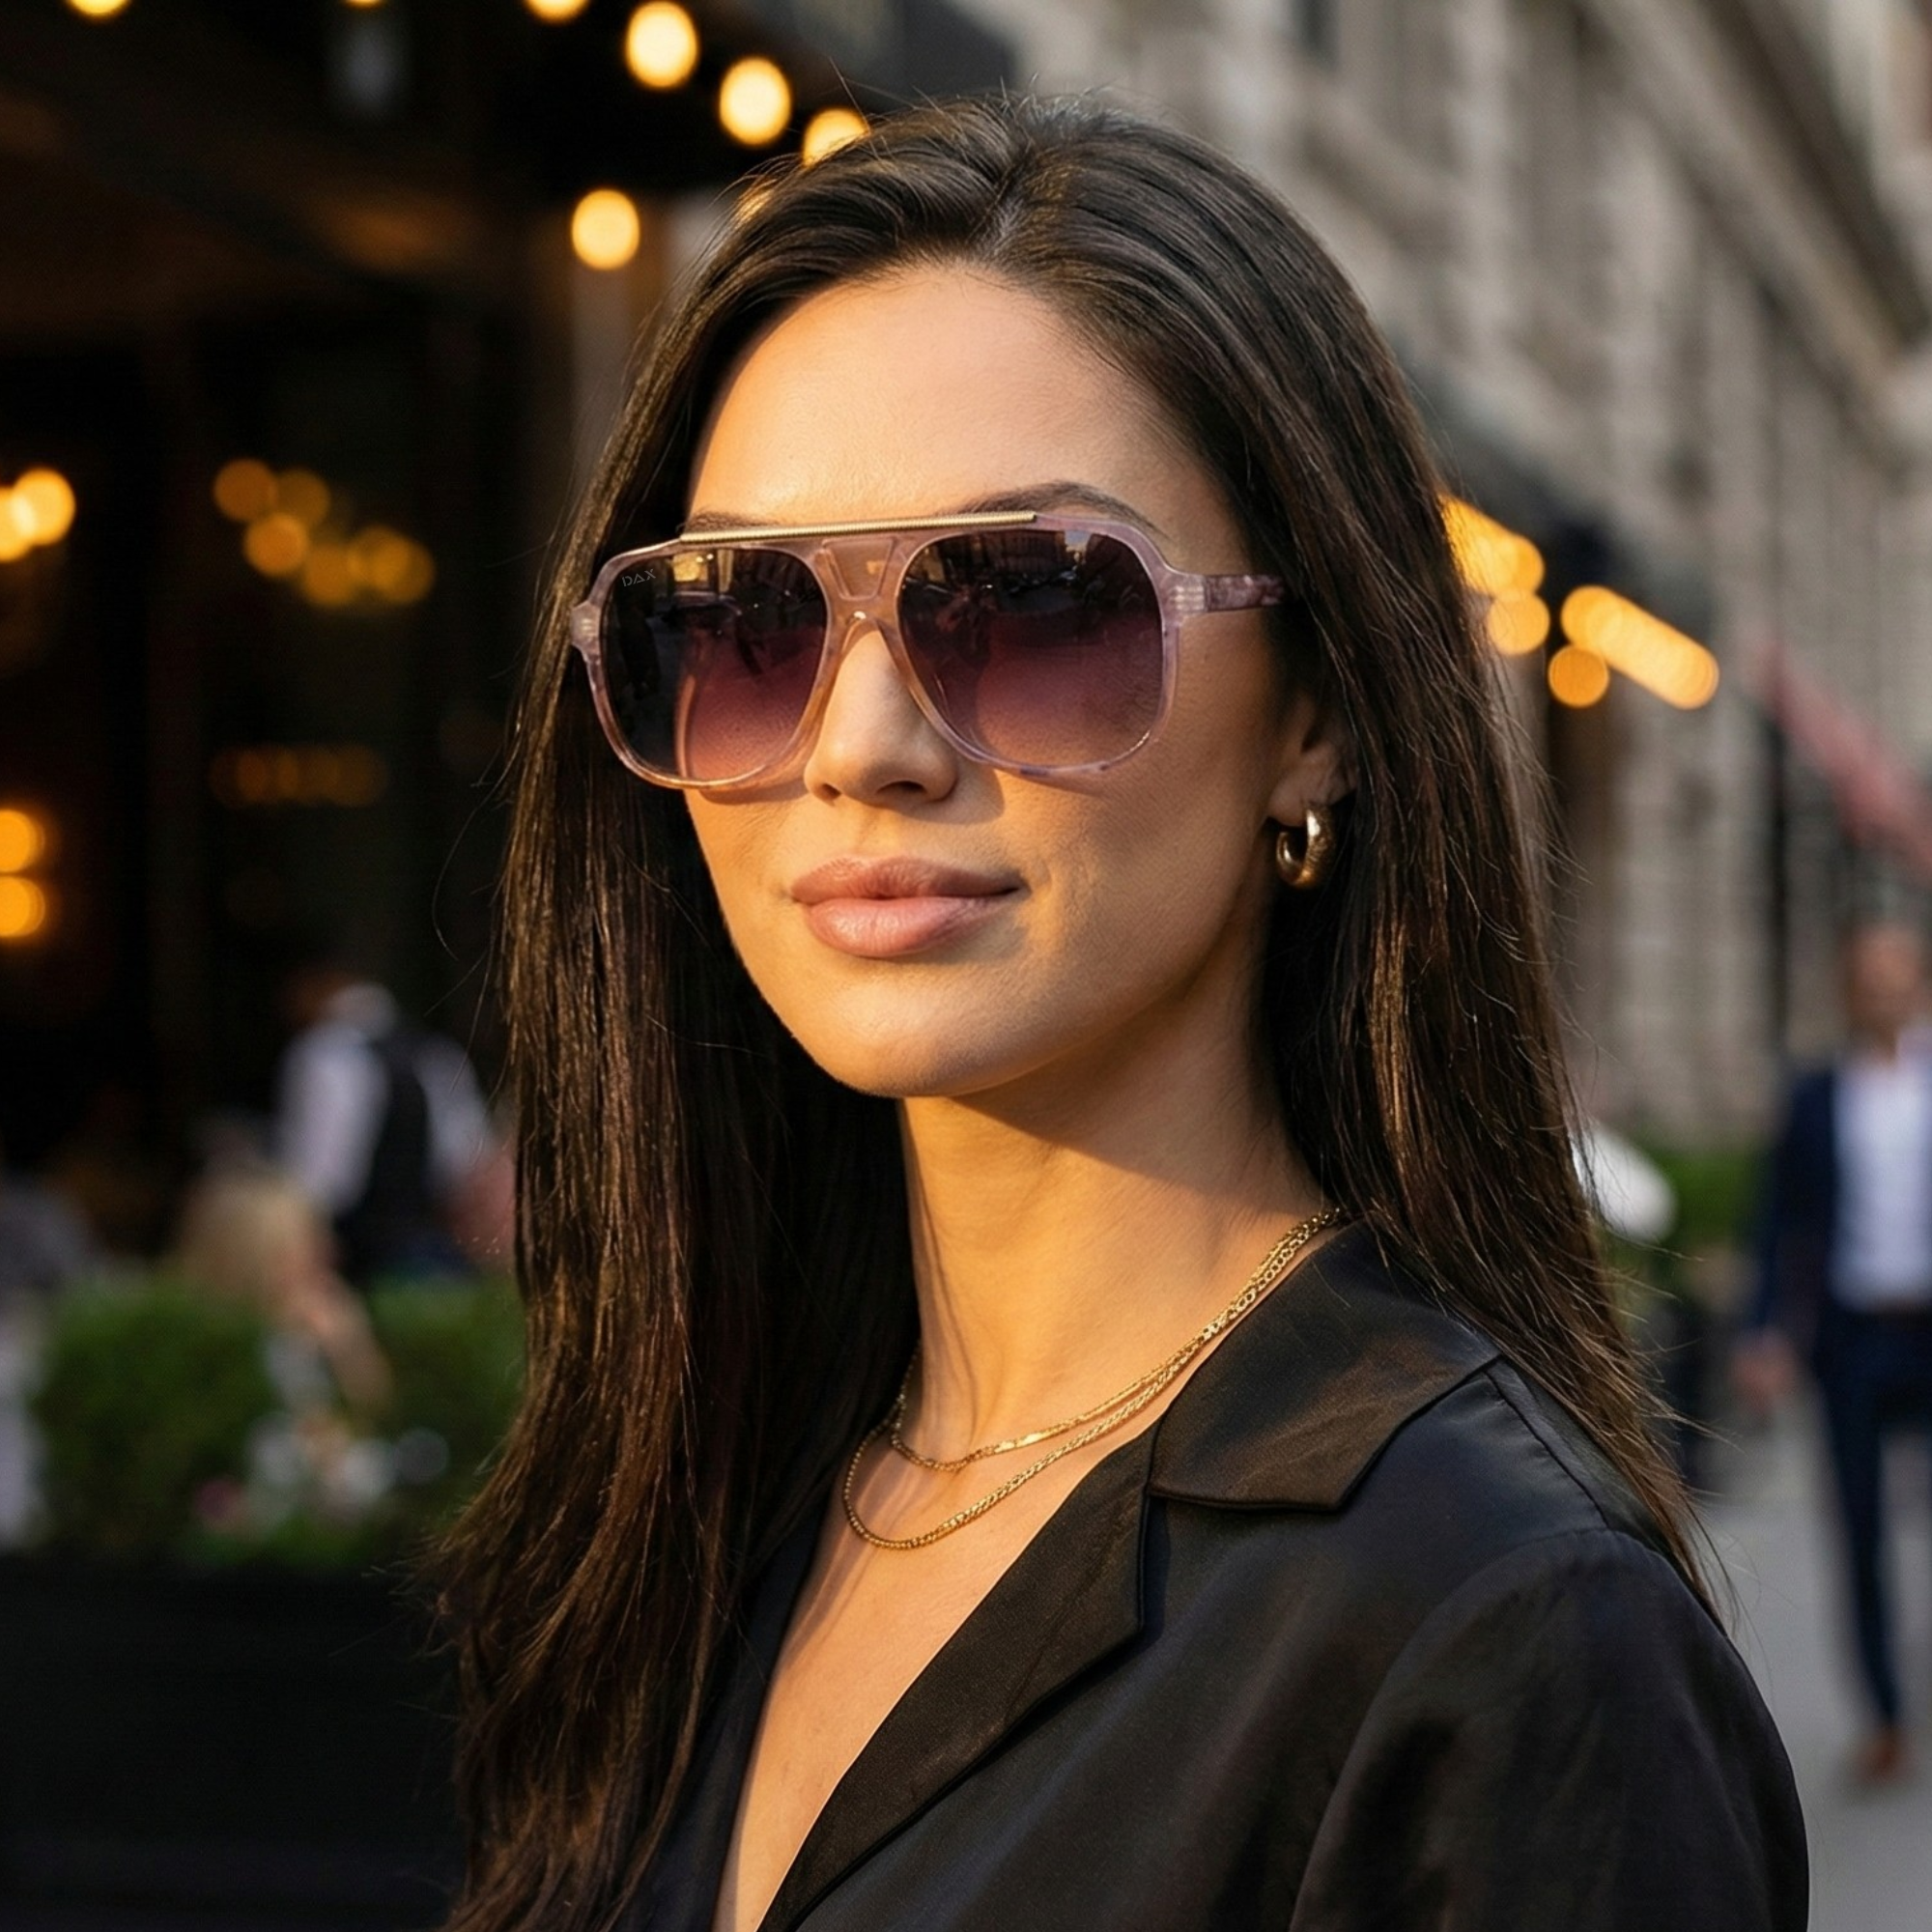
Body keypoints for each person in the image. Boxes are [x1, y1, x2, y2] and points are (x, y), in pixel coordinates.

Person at [438, 97, 1804, 1932]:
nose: (860, 749)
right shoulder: (707, 1505)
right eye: (746, 621)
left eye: (1027, 607)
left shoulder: (1503, 1634)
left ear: (1312, 706)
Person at [1736, 919, 1932, 1785]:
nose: (1884, 993)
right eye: (1869, 979)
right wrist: (1764, 1330)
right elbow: (1778, 1222)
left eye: (1899, 977)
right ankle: (1885, 1715)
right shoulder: (1816, 1096)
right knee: (1858, 1535)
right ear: (1850, 992)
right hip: (1853, 1340)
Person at [275, 960, 497, 1285]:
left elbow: (318, 1180)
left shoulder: (323, 1056)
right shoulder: (437, 1054)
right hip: (426, 1246)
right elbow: (468, 1161)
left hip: (355, 1254)